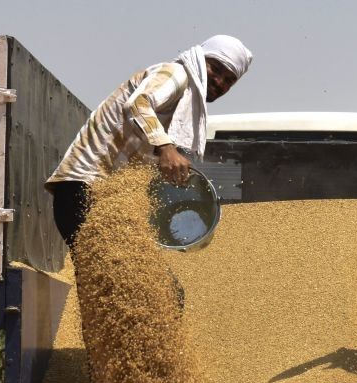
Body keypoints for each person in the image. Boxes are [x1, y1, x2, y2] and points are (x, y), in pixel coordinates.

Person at [46, 35, 253, 249]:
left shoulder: (182, 101)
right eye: (216, 69)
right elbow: (138, 104)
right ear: (201, 61)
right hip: (83, 188)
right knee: (107, 273)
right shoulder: (176, 73)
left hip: (107, 198)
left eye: (229, 80)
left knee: (115, 275)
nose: (220, 82)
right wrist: (166, 148)